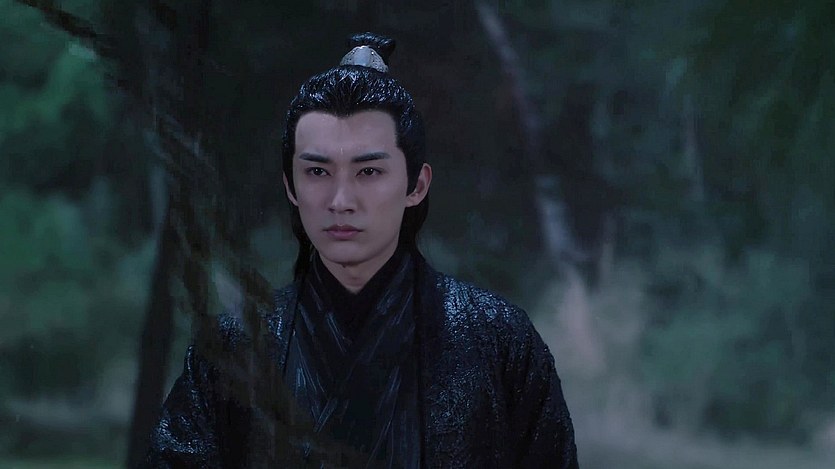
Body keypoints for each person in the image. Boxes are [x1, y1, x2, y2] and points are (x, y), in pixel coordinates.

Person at [144, 32, 578, 468]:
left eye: (368, 171)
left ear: (416, 184)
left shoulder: (497, 338)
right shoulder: (234, 347)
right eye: (317, 171)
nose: (340, 201)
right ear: (290, 186)